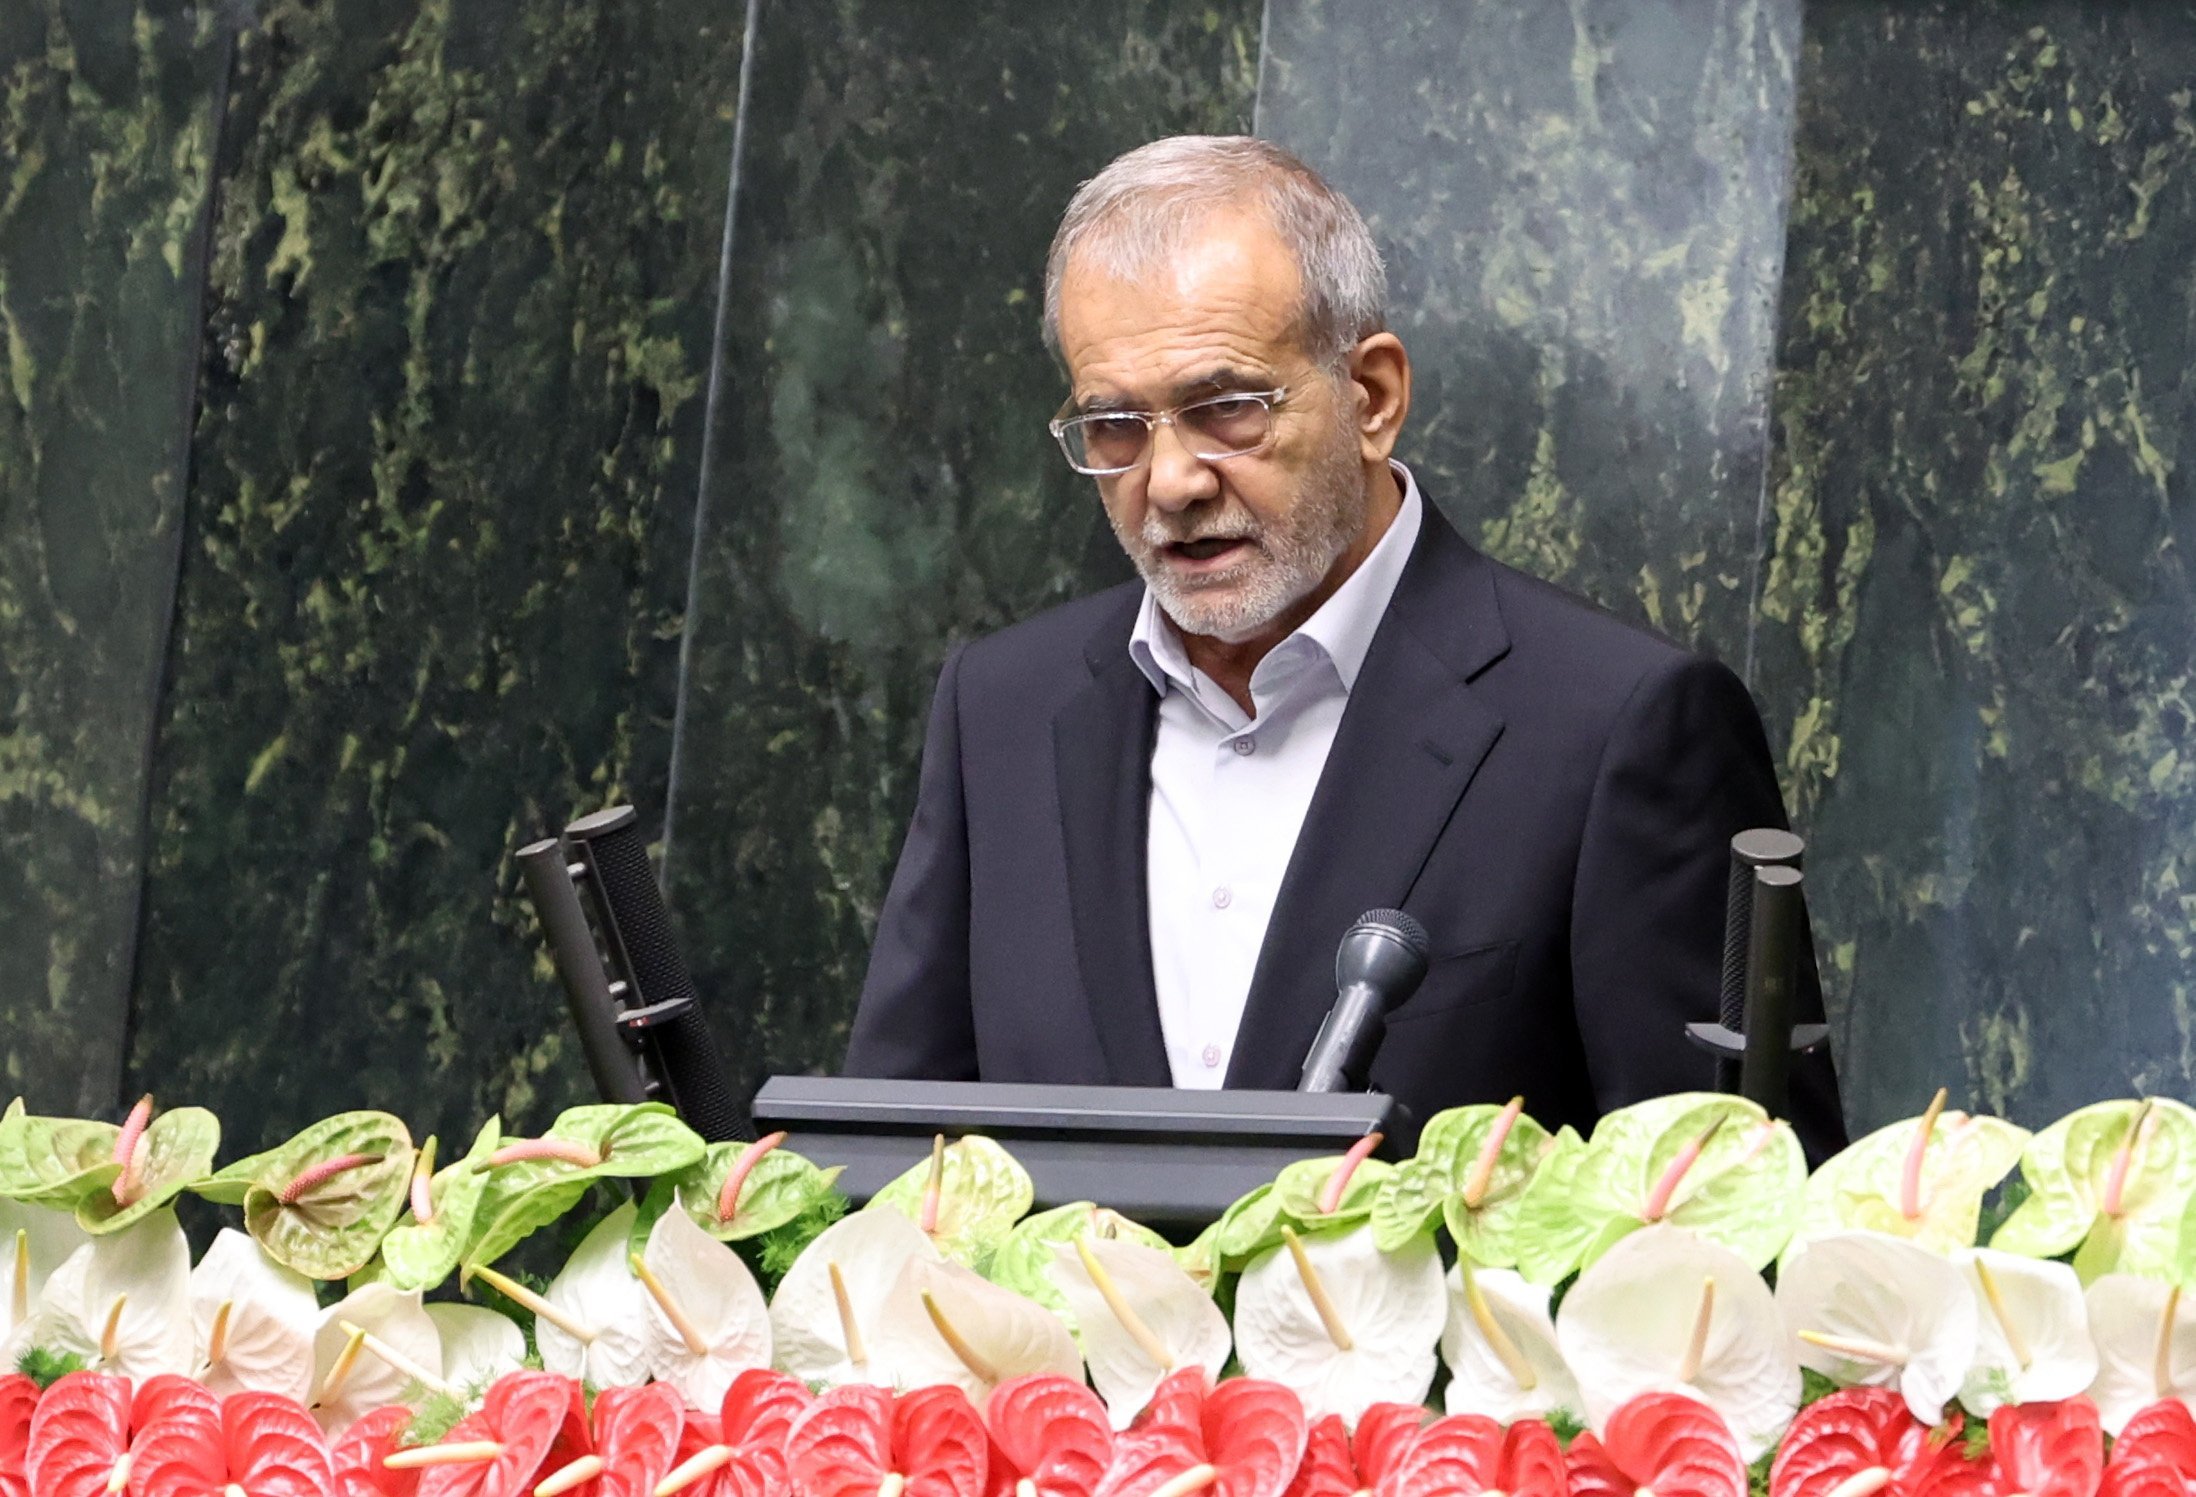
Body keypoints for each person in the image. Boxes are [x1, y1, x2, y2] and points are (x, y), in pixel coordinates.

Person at [843, 135, 1845, 1159]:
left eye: (1225, 409)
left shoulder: (1617, 727)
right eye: (1113, 426)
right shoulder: (1000, 710)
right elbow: (885, 1169)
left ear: (1371, 397)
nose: (1171, 480)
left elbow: (1725, 1222)